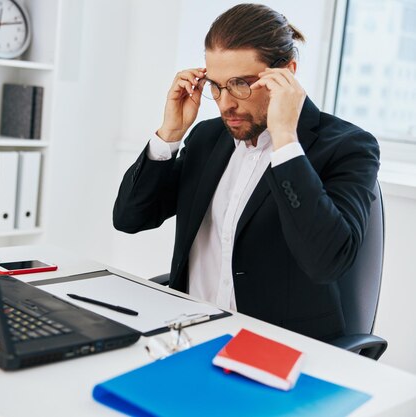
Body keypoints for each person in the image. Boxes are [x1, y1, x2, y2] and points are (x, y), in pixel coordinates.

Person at [113, 3, 380, 342]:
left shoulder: (348, 147)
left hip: (277, 347)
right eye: (216, 85)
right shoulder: (208, 137)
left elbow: (327, 261)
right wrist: (169, 133)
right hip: (190, 334)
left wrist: (285, 141)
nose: (226, 103)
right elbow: (129, 218)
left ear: (287, 74)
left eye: (241, 84)